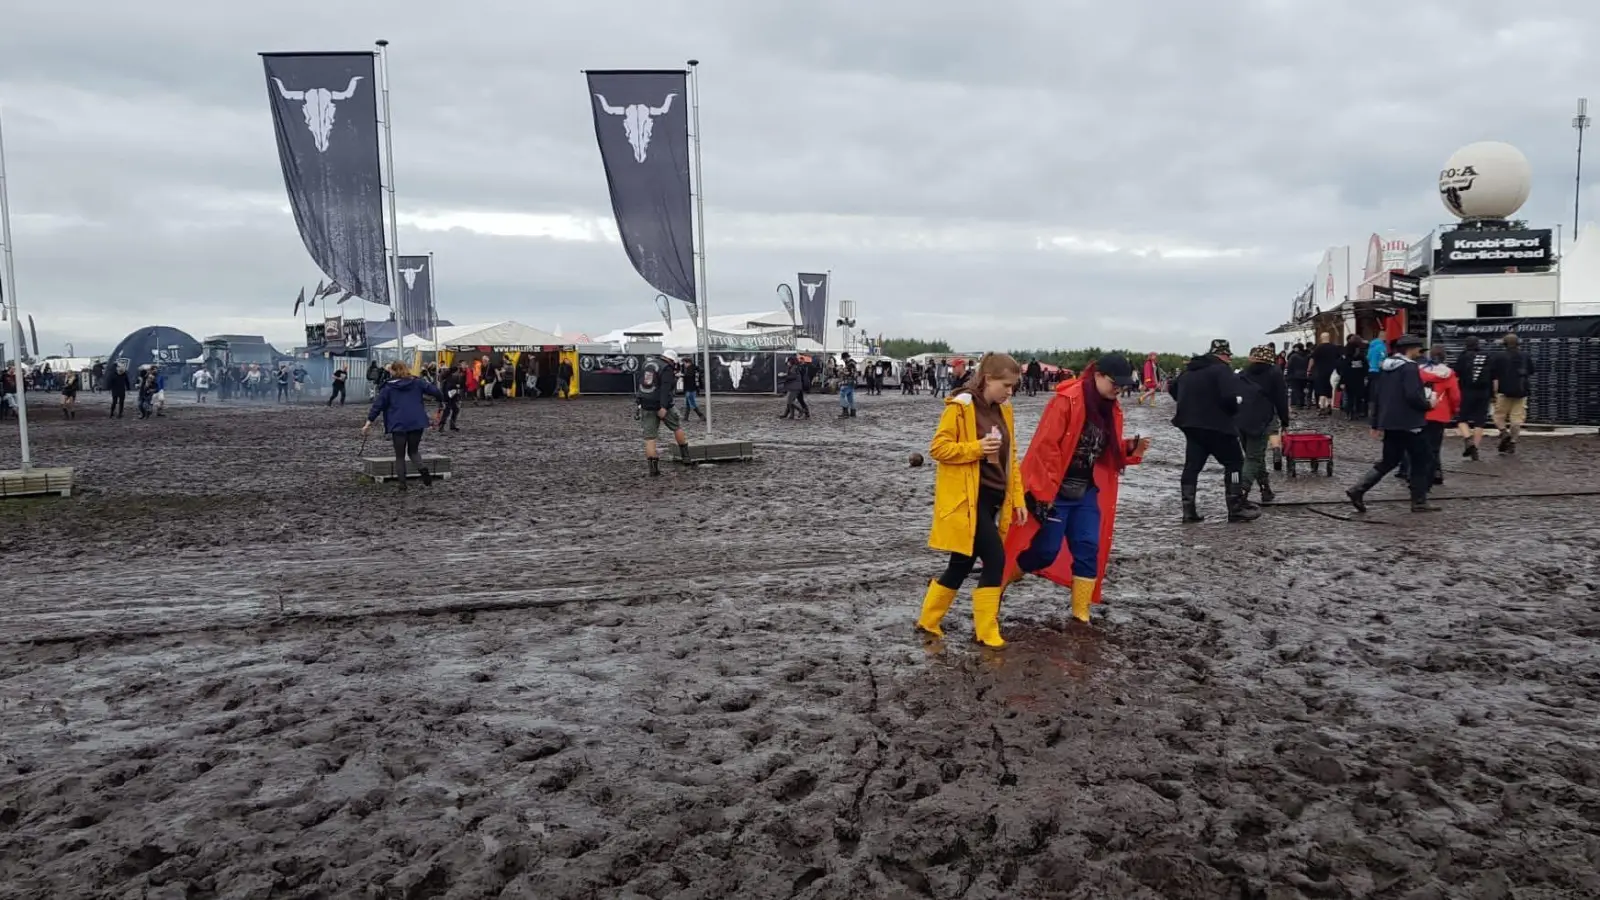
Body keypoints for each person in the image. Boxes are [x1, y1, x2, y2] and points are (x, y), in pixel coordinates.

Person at [1003, 354, 1148, 624]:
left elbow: (1104, 450)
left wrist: (1128, 449)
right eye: (1115, 383)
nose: (1119, 389)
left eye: (1123, 385)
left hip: (1085, 492)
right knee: (1045, 551)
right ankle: (1002, 579)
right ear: (1098, 374)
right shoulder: (1066, 400)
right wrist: (1042, 494)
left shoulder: (1111, 408)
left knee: (1088, 547)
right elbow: (1045, 448)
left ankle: (1081, 614)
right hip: (1055, 491)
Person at [916, 353, 1025, 648]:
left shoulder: (1006, 411)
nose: (1010, 392)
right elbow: (939, 447)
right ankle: (986, 631)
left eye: (1013, 386)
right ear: (988, 379)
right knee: (995, 560)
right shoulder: (960, 407)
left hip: (993, 499)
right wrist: (976, 448)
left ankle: (928, 620)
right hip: (967, 503)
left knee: (961, 564)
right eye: (1007, 385)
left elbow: (1011, 458)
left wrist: (1018, 499)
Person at [1346, 335, 1438, 514]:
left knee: (1389, 460)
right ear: (1411, 349)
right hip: (1410, 421)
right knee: (1423, 459)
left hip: (1390, 421)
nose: (1419, 353)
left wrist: (1376, 422)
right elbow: (1412, 395)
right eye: (1419, 349)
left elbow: (1377, 396)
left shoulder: (1385, 367)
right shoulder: (1410, 368)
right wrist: (1427, 404)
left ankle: (1358, 489)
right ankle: (1419, 501)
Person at [1170, 339, 1259, 523]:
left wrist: (1189, 402)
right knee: (1235, 463)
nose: (1229, 360)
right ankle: (1235, 507)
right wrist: (1234, 409)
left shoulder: (1189, 369)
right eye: (1229, 356)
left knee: (1192, 467)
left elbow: (1172, 388)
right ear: (1224, 355)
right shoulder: (1221, 369)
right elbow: (1228, 397)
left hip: (1191, 425)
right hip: (1218, 426)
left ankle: (1189, 511)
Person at [363, 360, 445, 491]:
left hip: (398, 423)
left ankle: (402, 484)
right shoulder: (417, 382)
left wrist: (368, 423)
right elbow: (435, 391)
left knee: (400, 456)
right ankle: (423, 470)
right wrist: (441, 400)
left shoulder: (388, 387)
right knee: (413, 451)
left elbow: (377, 406)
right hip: (416, 422)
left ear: (393, 371)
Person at [1236, 345, 1290, 505]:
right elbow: (1281, 398)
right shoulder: (1274, 373)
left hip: (1240, 420)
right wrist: (1284, 420)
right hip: (1261, 419)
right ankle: (1240, 493)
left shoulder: (1243, 373)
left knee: (1254, 456)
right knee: (1253, 458)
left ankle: (1265, 489)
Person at [638, 350, 690, 477]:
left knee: (650, 438)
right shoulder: (666, 368)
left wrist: (639, 402)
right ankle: (686, 457)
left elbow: (641, 384)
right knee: (676, 427)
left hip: (645, 404)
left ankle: (653, 470)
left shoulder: (647, 364)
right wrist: (663, 407)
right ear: (672, 360)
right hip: (661, 404)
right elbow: (665, 389)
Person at [1418, 346, 1461, 487]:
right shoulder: (1449, 374)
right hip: (1439, 412)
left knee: (1418, 444)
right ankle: (1436, 473)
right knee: (1434, 446)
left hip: (1421, 411)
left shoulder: (1420, 371)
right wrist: (1454, 410)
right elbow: (1455, 396)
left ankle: (1416, 473)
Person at [1489, 333, 1534, 454]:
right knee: (1516, 420)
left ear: (1504, 344)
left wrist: (1493, 393)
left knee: (1498, 416)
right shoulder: (1525, 355)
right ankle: (1513, 443)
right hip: (1521, 392)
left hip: (1503, 392)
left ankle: (1504, 433)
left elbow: (1493, 376)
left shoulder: (1498, 356)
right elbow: (1531, 371)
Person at [1452, 336, 1493, 460]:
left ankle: (1468, 439)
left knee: (1461, 419)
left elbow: (1456, 375)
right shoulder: (1487, 356)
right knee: (1480, 421)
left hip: (1466, 391)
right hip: (1484, 392)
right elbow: (1493, 376)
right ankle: (1475, 448)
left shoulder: (1463, 356)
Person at [1309, 333, 1342, 416]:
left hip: (1320, 372)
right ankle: (1329, 405)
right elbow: (1340, 359)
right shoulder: (1334, 348)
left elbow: (1312, 359)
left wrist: (1309, 369)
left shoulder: (1318, 348)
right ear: (1329, 337)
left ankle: (1322, 407)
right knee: (1330, 389)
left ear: (1321, 338)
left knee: (1322, 390)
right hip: (1332, 372)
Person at [1286, 344, 1311, 410]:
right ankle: (1302, 403)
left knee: (1297, 390)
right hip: (1305, 375)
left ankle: (1299, 404)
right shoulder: (1307, 356)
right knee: (1302, 389)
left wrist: (1288, 376)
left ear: (1297, 348)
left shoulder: (1293, 356)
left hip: (1295, 375)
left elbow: (1289, 366)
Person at [681, 357, 704, 421]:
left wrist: (682, 375)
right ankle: (686, 417)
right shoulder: (694, 368)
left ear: (687, 362)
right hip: (691, 388)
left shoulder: (690, 369)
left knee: (691, 403)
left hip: (690, 388)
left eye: (684, 363)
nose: (684, 365)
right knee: (688, 403)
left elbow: (689, 376)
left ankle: (701, 415)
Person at [838, 352, 859, 418]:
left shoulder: (850, 364)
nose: (843, 360)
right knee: (850, 398)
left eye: (843, 359)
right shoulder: (853, 363)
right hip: (852, 383)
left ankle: (845, 412)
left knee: (842, 395)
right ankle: (853, 412)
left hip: (848, 382)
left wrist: (841, 371)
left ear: (846, 358)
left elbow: (849, 373)